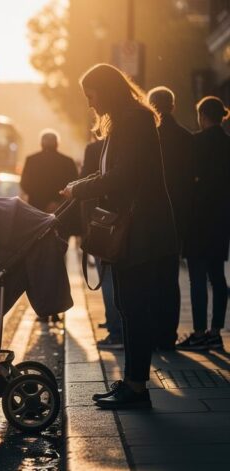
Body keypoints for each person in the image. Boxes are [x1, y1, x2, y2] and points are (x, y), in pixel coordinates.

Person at [60, 64, 178, 410]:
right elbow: (111, 172)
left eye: (90, 95)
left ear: (105, 89)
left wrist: (78, 189)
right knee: (129, 306)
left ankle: (137, 387)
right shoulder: (122, 121)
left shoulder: (135, 120)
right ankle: (132, 381)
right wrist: (79, 188)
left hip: (143, 231)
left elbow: (123, 176)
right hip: (134, 229)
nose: (89, 104)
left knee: (135, 307)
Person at [177, 96, 230, 351]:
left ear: (202, 116)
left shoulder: (195, 143)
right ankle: (216, 331)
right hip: (220, 220)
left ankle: (198, 332)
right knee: (218, 277)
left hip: (197, 219)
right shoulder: (227, 143)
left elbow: (186, 181)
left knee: (197, 278)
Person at [146, 86, 194, 350]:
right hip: (178, 216)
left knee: (150, 276)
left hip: (151, 215)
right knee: (170, 277)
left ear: (152, 106)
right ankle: (168, 334)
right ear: (173, 106)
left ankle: (153, 331)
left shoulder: (149, 137)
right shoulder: (187, 138)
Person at [80, 138, 123, 350]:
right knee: (120, 280)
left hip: (101, 222)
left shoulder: (93, 148)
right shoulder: (127, 144)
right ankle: (121, 327)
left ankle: (115, 331)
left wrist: (85, 225)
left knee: (106, 278)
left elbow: (87, 184)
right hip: (123, 222)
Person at [20, 129, 79, 213]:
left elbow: (24, 183)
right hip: (60, 208)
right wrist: (58, 201)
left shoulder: (31, 160)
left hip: (35, 207)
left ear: (40, 144)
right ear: (57, 144)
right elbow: (73, 183)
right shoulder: (67, 161)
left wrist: (37, 199)